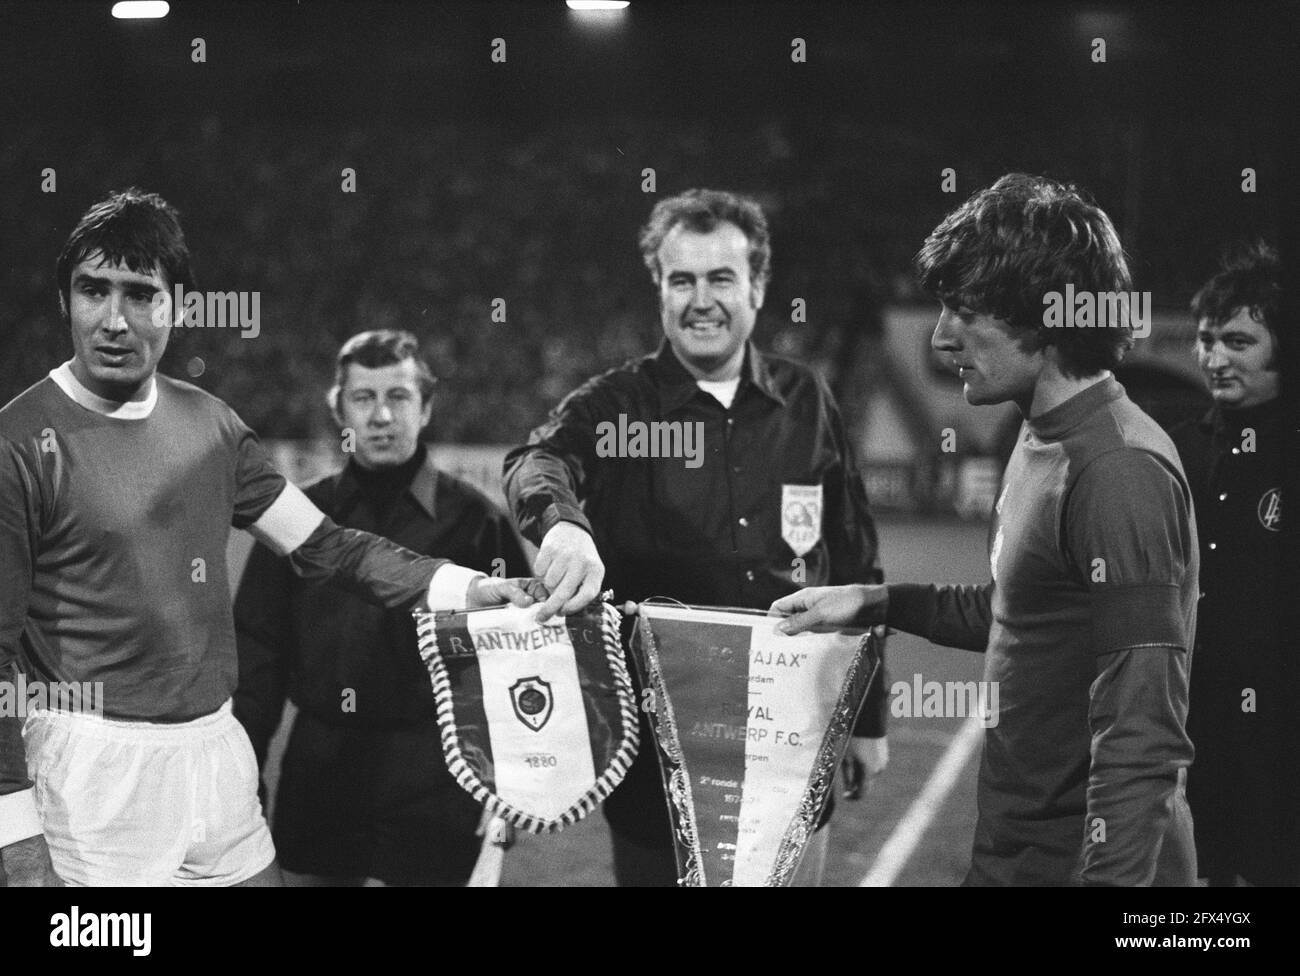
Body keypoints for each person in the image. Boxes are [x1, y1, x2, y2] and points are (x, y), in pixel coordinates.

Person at [0, 189, 532, 887]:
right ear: (65, 300)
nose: (115, 320)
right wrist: (15, 832)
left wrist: (466, 586)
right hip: (92, 772)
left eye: (141, 294)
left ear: (179, 306)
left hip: (214, 754)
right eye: (92, 291)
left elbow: (329, 547)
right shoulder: (18, 443)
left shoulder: (213, 427)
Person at [774, 173, 1200, 886]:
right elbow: (1023, 613)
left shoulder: (1119, 472)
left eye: (965, 311)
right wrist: (877, 603)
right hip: (1018, 854)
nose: (942, 338)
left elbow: (1144, 738)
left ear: (1043, 318)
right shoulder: (1042, 437)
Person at [503, 187, 887, 886]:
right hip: (661, 754)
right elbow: (536, 462)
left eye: (721, 278)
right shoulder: (617, 406)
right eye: (682, 279)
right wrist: (560, 523)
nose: (701, 299)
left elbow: (856, 556)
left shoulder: (808, 400)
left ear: (758, 287)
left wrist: (870, 716)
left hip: (792, 740)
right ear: (659, 287)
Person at [233, 329, 530, 886]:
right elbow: (257, 658)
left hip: (434, 771)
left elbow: (517, 664)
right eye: (363, 398)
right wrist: (242, 776)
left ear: (427, 408)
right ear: (338, 409)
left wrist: (509, 792)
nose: (381, 415)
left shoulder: (477, 522)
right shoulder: (299, 518)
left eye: (398, 397)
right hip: (318, 769)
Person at [1168, 242, 1293, 885]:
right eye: (1206, 339)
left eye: (1238, 342)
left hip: (1281, 733)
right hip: (1194, 723)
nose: (1214, 358)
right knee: (1200, 891)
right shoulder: (1176, 449)